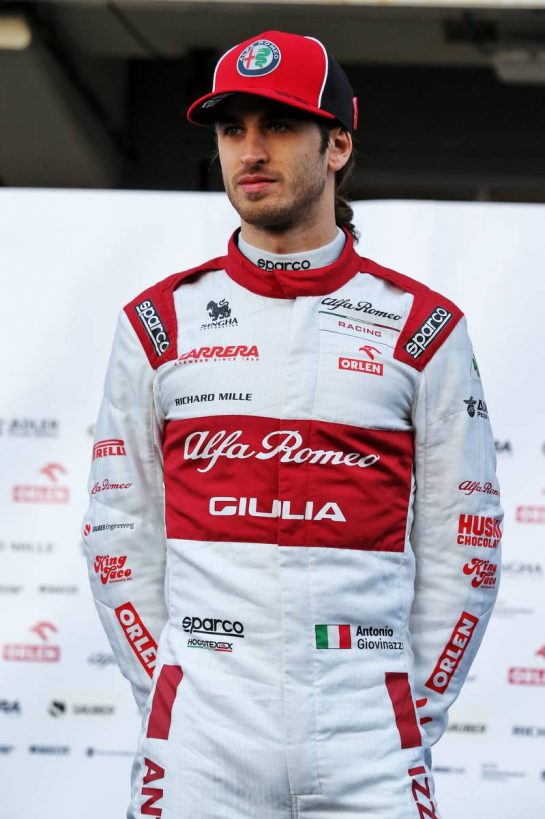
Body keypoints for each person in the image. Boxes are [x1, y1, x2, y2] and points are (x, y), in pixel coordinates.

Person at [83, 30, 502, 819]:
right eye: (231, 128)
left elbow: (465, 543)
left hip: (368, 736)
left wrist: (411, 708)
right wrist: (169, 687)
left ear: (337, 142)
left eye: (276, 125)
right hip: (201, 740)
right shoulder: (156, 324)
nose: (249, 150)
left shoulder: (423, 328)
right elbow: (117, 535)